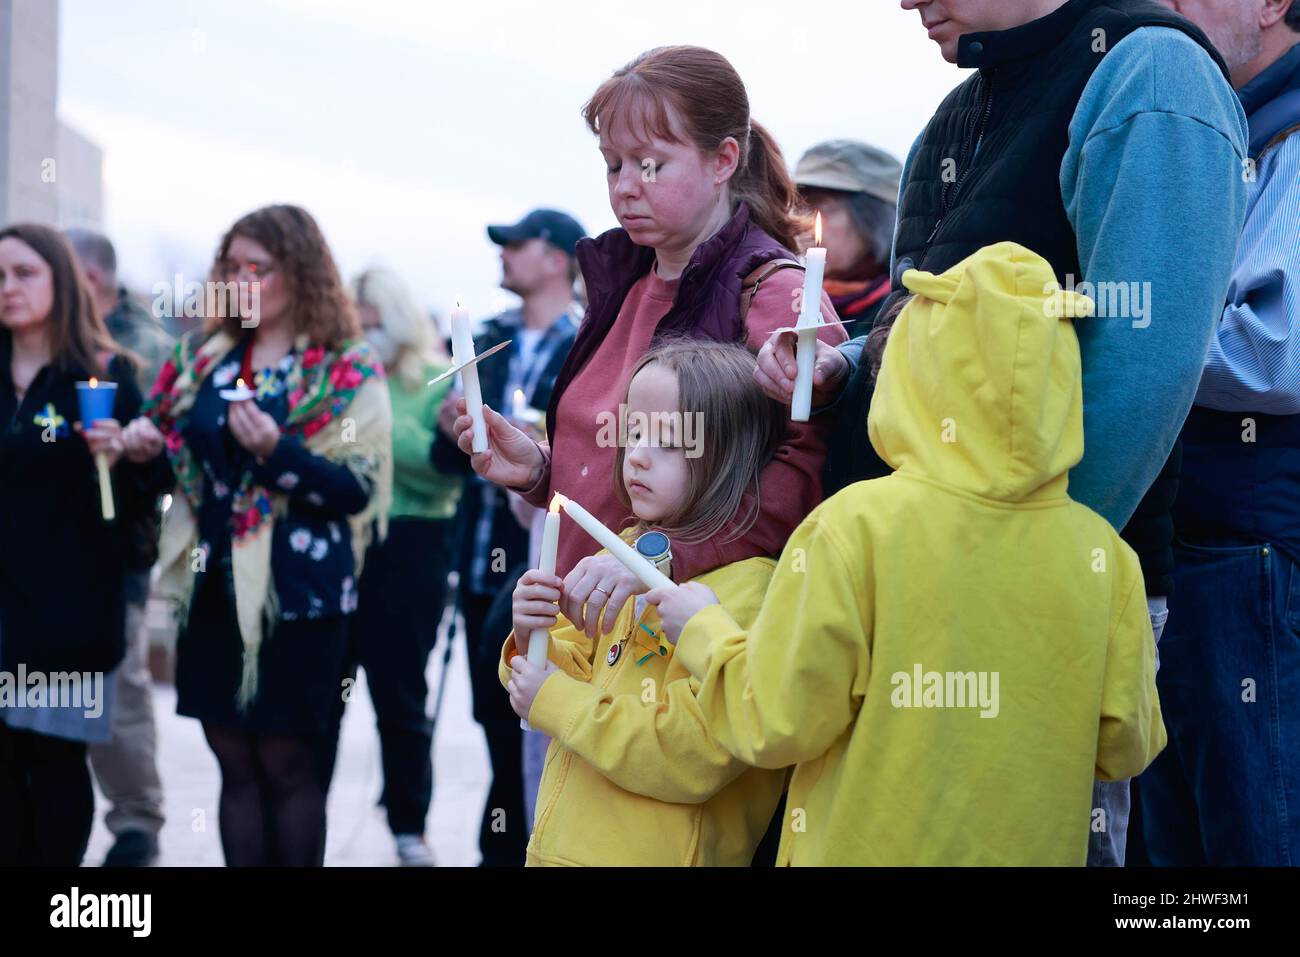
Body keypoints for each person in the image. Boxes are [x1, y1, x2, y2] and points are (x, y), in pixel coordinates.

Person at [754, 0, 1247, 865]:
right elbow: (949, 331)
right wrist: (853, 361)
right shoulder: (960, 108)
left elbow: (1143, 371)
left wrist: (1013, 584)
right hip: (909, 588)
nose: (904, 1)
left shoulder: (1152, 72)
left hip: (1018, 605)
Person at [649, 244, 1165, 865]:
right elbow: (1124, 746)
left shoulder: (854, 526)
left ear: (914, 368)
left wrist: (704, 631)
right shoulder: (1106, 555)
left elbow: (778, 721)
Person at [450, 44, 847, 649]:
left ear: (724, 160)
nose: (626, 188)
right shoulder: (622, 281)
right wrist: (540, 470)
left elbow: (801, 480)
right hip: (582, 638)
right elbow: (635, 463)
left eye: (650, 164)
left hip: (681, 651)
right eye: (613, 165)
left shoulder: (776, 293)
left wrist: (659, 559)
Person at [119, 204, 392, 867]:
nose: (243, 280)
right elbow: (179, 468)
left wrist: (278, 452)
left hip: (300, 597)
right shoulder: (200, 362)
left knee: (289, 764)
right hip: (213, 583)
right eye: (231, 268)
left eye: (259, 268)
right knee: (234, 762)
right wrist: (144, 446)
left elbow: (357, 489)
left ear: (300, 273)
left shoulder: (346, 369)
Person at [501, 340, 788, 866]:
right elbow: (572, 666)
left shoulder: (751, 589)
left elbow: (693, 757)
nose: (636, 453)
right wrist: (530, 633)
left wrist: (555, 699)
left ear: (729, 452)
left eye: (668, 440)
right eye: (633, 431)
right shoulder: (628, 548)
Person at [1134, 0, 1300, 866]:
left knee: (1256, 836)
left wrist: (1117, 332)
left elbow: (1277, 349)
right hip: (1188, 543)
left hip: (1257, 551)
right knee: (1175, 859)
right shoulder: (1217, 133)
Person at [0, 224, 159, 866]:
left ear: (63, 280)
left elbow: (143, 498)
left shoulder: (104, 374)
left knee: (56, 762)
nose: (7, 287)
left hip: (68, 610)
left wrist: (137, 457)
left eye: (24, 273)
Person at [432, 207, 585, 866]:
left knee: (534, 716)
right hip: (479, 557)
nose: (504, 255)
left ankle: (520, 846)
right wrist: (448, 432)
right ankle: (502, 845)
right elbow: (446, 465)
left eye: (517, 244)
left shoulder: (587, 341)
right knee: (493, 722)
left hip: (545, 560)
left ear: (556, 258)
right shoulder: (484, 339)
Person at [321, 267, 462, 867]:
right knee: (323, 695)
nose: (361, 321)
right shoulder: (342, 374)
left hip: (412, 548)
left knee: (400, 697)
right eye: (355, 312)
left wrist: (375, 438)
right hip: (344, 546)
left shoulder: (440, 380)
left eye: (370, 311)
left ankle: (409, 824)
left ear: (396, 313)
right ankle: (307, 813)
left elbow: (443, 469)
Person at [64, 227, 171, 867]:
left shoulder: (138, 354)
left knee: (117, 694)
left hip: (114, 558)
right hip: (35, 559)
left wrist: (136, 448)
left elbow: (166, 460)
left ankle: (137, 824)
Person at [792, 139, 900, 332]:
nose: (803, 223)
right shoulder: (790, 300)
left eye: (820, 208)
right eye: (799, 208)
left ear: (873, 218)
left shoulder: (905, 309)